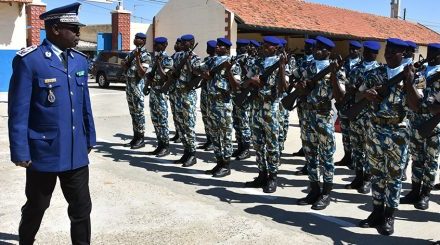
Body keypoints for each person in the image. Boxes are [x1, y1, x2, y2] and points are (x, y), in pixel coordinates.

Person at [8, 3, 96, 244]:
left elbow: (84, 105)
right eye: (73, 29)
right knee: (37, 205)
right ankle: (26, 241)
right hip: (43, 152)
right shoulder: (30, 61)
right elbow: (18, 111)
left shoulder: (79, 61)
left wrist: (90, 138)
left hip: (76, 151)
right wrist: (20, 151)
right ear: (55, 29)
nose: (78, 34)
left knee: (81, 209)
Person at [358, 38, 411, 236]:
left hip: (397, 132)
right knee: (377, 175)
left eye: (394, 51)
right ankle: (376, 212)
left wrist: (409, 81)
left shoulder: (413, 76)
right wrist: (367, 95)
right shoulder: (374, 73)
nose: (388, 53)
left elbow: (416, 105)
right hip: (375, 130)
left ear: (403, 54)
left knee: (394, 178)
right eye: (387, 50)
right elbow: (357, 96)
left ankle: (390, 216)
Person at [296, 36, 347, 210]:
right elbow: (293, 85)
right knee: (310, 154)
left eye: (321, 49)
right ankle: (314, 189)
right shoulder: (306, 66)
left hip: (324, 116)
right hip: (307, 114)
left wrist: (332, 73)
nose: (317, 51)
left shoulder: (337, 70)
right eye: (316, 47)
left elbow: (340, 97)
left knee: (326, 156)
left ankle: (326, 193)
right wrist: (300, 87)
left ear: (329, 52)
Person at [244, 36, 289, 193]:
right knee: (258, 143)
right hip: (256, 107)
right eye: (264, 45)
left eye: (269, 46)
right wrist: (252, 82)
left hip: (272, 108)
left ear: (275, 48)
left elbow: (285, 88)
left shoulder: (281, 63)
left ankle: (272, 177)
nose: (265, 47)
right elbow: (244, 82)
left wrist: (282, 67)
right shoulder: (257, 63)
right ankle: (261, 174)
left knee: (272, 145)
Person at [400, 43, 440, 210]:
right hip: (417, 121)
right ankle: (414, 191)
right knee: (417, 159)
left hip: (433, 125)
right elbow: (419, 94)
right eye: (429, 52)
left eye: (434, 53)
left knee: (430, 161)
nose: (430, 55)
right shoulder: (422, 72)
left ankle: (425, 195)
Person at [342, 41, 381, 194]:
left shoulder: (380, 71)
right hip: (355, 114)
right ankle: (358, 177)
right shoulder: (355, 69)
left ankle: (367, 180)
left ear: (376, 54)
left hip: (371, 116)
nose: (368, 54)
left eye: (371, 52)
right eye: (366, 51)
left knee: (369, 149)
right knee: (357, 148)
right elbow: (349, 90)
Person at [202, 38, 241, 177]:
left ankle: (226, 165)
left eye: (220, 46)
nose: (217, 47)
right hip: (210, 103)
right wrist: (204, 74)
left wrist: (228, 71)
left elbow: (237, 86)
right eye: (217, 45)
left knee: (224, 135)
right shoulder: (211, 61)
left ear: (227, 48)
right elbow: (198, 70)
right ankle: (218, 162)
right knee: (214, 135)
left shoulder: (232, 63)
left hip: (223, 104)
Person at [172, 34, 201, 167]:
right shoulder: (177, 56)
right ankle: (186, 151)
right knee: (180, 124)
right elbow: (173, 72)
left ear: (191, 43)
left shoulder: (195, 58)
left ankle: (192, 154)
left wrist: (188, 61)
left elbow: (195, 74)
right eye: (181, 42)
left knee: (189, 125)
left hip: (188, 95)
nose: (182, 44)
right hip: (177, 93)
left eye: (185, 42)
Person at [122, 32, 151, 149]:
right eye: (135, 38)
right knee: (133, 113)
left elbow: (142, 72)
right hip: (129, 87)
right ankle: (135, 137)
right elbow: (124, 64)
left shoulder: (146, 55)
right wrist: (129, 61)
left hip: (137, 88)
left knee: (139, 113)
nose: (135, 39)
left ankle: (141, 138)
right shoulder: (132, 53)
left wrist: (138, 57)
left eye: (138, 38)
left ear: (143, 41)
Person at [335, 40, 362, 168]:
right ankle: (347, 156)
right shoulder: (344, 64)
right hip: (344, 103)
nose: (352, 51)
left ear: (359, 51)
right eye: (350, 49)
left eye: (355, 49)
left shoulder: (362, 65)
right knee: (345, 132)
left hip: (357, 105)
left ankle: (357, 161)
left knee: (356, 134)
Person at [145, 37, 173, 157]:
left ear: (165, 45)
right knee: (155, 119)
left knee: (162, 120)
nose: (155, 46)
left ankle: (165, 146)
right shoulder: (156, 58)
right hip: (153, 91)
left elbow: (165, 77)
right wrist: (146, 85)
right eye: (155, 44)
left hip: (162, 93)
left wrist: (158, 64)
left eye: (158, 44)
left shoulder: (168, 59)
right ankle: (160, 144)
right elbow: (151, 75)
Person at [292, 39, 316, 167]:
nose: (306, 48)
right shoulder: (302, 61)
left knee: (312, 134)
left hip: (313, 103)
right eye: (305, 46)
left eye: (309, 46)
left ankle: (311, 163)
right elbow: (295, 76)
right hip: (302, 101)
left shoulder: (315, 62)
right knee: (303, 127)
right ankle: (304, 148)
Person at [232, 39, 252, 160]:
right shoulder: (235, 59)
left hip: (244, 94)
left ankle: (246, 148)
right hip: (235, 93)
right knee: (236, 122)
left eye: (243, 46)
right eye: (239, 46)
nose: (241, 48)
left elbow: (250, 75)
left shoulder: (249, 60)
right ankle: (239, 146)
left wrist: (244, 65)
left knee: (244, 122)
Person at [198, 40, 217, 151]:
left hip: (213, 93)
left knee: (211, 118)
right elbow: (199, 70)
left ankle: (213, 141)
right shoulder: (207, 60)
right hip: (205, 91)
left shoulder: (216, 61)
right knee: (206, 117)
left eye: (209, 47)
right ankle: (209, 139)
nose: (207, 49)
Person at [169, 38, 183, 143]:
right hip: (172, 88)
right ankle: (177, 133)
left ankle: (181, 134)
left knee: (180, 113)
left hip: (180, 89)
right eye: (176, 43)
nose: (176, 45)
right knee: (175, 113)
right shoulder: (173, 56)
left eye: (178, 43)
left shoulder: (182, 56)